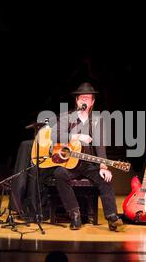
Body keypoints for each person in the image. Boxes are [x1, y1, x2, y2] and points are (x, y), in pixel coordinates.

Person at [50, 82, 124, 231]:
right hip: (70, 163)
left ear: (92, 102)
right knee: (59, 174)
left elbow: (100, 145)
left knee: (105, 178)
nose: (84, 101)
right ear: (77, 101)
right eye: (82, 98)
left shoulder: (97, 120)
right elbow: (54, 135)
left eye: (88, 98)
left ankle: (112, 217)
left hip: (89, 164)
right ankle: (75, 214)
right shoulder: (67, 117)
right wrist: (76, 136)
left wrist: (103, 166)